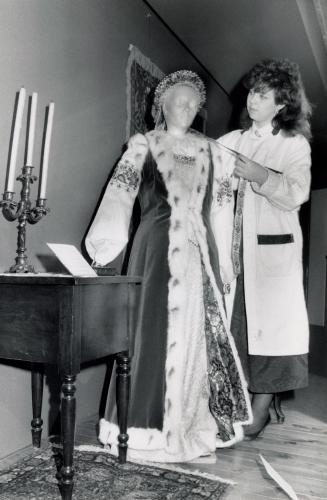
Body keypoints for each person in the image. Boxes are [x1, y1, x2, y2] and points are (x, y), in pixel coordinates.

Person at [85, 70, 252, 463]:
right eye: (180, 100)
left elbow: (222, 209)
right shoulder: (143, 146)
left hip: (201, 255)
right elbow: (120, 195)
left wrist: (225, 260)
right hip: (156, 250)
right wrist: (103, 248)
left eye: (195, 103)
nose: (188, 107)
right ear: (162, 104)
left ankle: (190, 429)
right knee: (150, 336)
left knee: (198, 337)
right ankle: (146, 434)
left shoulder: (214, 153)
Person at [218, 59, 312, 439]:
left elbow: (296, 194)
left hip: (272, 256)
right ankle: (236, 405)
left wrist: (260, 176)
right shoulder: (229, 142)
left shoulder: (293, 145)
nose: (253, 98)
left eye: (263, 93)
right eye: (252, 91)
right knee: (237, 330)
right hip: (233, 254)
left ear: (281, 104)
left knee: (272, 336)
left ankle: (260, 410)